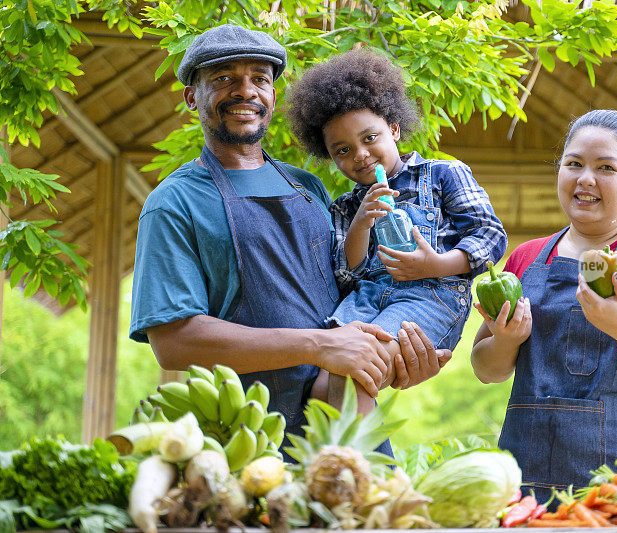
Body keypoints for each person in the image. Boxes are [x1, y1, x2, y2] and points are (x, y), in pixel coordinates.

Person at [129, 24, 452, 452]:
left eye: (259, 79)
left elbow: (354, 300)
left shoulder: (308, 188)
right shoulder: (175, 202)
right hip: (248, 442)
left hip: (348, 425)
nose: (245, 91)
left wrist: (396, 358)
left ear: (273, 95)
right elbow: (174, 343)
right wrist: (320, 346)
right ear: (192, 96)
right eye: (224, 78)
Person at [471, 109, 617, 502]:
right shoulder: (526, 258)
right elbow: (486, 369)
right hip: (527, 489)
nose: (586, 178)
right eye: (574, 164)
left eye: (606, 167)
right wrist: (505, 341)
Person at [286, 49, 507, 414]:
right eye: (342, 150)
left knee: (356, 372)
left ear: (394, 128)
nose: (360, 154)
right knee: (322, 385)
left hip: (428, 298)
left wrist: (436, 264)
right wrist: (361, 220)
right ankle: (343, 465)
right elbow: (346, 271)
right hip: (366, 299)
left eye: (369, 138)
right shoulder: (344, 206)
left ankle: (355, 469)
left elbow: (489, 236)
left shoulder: (442, 175)